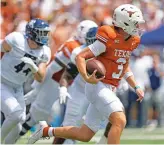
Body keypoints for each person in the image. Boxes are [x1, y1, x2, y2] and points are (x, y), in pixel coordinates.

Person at [28, 4, 145, 144]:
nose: (138, 26)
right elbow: (81, 56)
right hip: (98, 85)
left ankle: (46, 130)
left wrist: (136, 86)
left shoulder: (132, 41)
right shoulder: (109, 36)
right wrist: (86, 77)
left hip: (109, 88)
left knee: (85, 134)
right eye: (135, 23)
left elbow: (124, 65)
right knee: (119, 119)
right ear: (124, 23)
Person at [18, 20, 98, 141]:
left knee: (72, 117)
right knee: (39, 113)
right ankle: (15, 135)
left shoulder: (91, 47)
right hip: (56, 81)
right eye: (90, 36)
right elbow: (52, 68)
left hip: (73, 84)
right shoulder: (73, 46)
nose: (94, 39)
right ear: (83, 34)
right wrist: (36, 89)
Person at [0, 18, 51, 144]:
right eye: (41, 33)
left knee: (19, 122)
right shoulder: (16, 40)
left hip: (17, 87)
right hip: (2, 81)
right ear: (32, 32)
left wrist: (34, 68)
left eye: (45, 33)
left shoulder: (44, 52)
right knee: (16, 115)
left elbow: (40, 78)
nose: (44, 36)